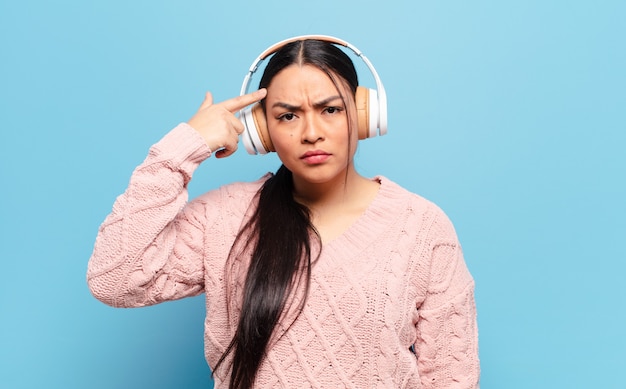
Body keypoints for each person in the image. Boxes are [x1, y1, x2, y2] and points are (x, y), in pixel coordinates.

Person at [87, 36, 480, 388]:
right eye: (288, 116)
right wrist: (184, 148)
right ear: (262, 132)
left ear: (363, 116)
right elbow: (115, 279)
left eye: (330, 110)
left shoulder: (422, 227)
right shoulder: (225, 218)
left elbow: (450, 377)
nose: (311, 132)